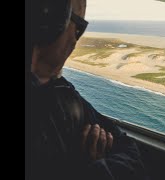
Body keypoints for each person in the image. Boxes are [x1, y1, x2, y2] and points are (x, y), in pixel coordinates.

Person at [29, 0, 149, 179]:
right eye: (79, 28)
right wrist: (89, 170)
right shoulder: (62, 105)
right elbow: (131, 161)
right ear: (51, 24)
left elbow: (125, 144)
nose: (75, 42)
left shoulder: (60, 92)